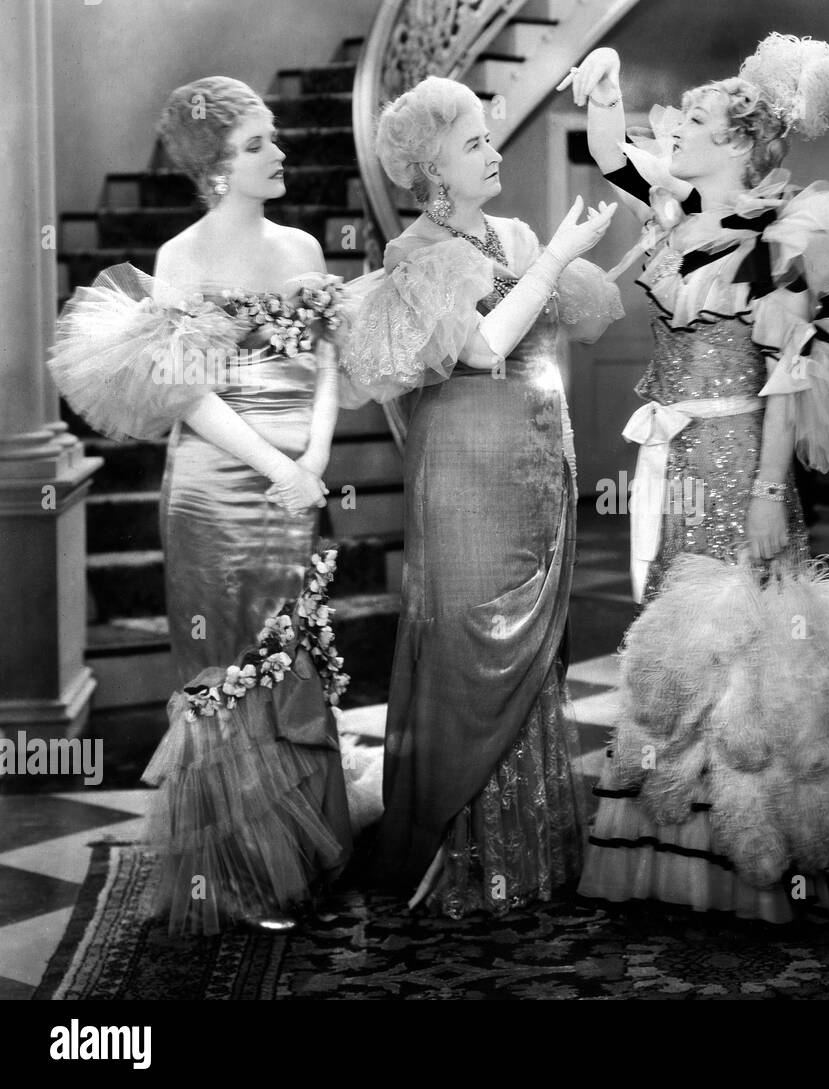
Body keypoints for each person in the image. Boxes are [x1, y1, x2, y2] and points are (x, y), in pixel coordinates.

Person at [559, 36, 829, 924]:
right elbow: (612, 150)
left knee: (749, 635)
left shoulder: (777, 237)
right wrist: (604, 71)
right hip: (676, 457)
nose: (671, 130)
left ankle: (762, 854)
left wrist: (767, 489)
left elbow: (788, 376)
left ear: (738, 145)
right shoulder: (676, 211)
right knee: (680, 632)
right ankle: (679, 853)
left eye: (695, 122)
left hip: (737, 460)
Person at [47, 77, 355, 935]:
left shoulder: (302, 248)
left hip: (298, 474)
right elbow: (187, 396)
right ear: (216, 171)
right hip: (216, 486)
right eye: (258, 143)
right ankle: (245, 869)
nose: (281, 152)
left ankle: (306, 846)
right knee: (230, 663)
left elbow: (329, 364)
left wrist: (317, 458)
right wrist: (277, 466)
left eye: (275, 137)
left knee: (296, 649)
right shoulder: (181, 258)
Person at [342, 76, 623, 917]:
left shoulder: (512, 231)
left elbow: (562, 318)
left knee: (539, 649)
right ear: (431, 171)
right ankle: (458, 857)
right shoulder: (418, 254)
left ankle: (528, 848)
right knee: (473, 642)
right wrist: (554, 260)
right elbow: (482, 347)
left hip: (539, 459)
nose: (493, 151)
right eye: (474, 143)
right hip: (465, 468)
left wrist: (589, 251)